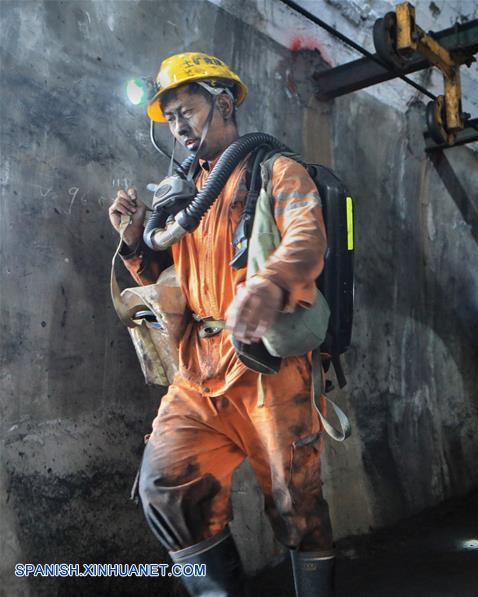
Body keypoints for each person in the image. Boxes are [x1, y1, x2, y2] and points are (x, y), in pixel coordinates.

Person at [108, 52, 333, 596]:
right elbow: (170, 275)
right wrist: (137, 239)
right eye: (172, 120)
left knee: (295, 503)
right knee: (164, 484)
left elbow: (308, 237)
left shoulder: (276, 170)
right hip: (198, 369)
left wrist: (271, 282)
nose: (180, 128)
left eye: (187, 111)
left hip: (266, 366)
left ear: (224, 102)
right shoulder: (179, 195)